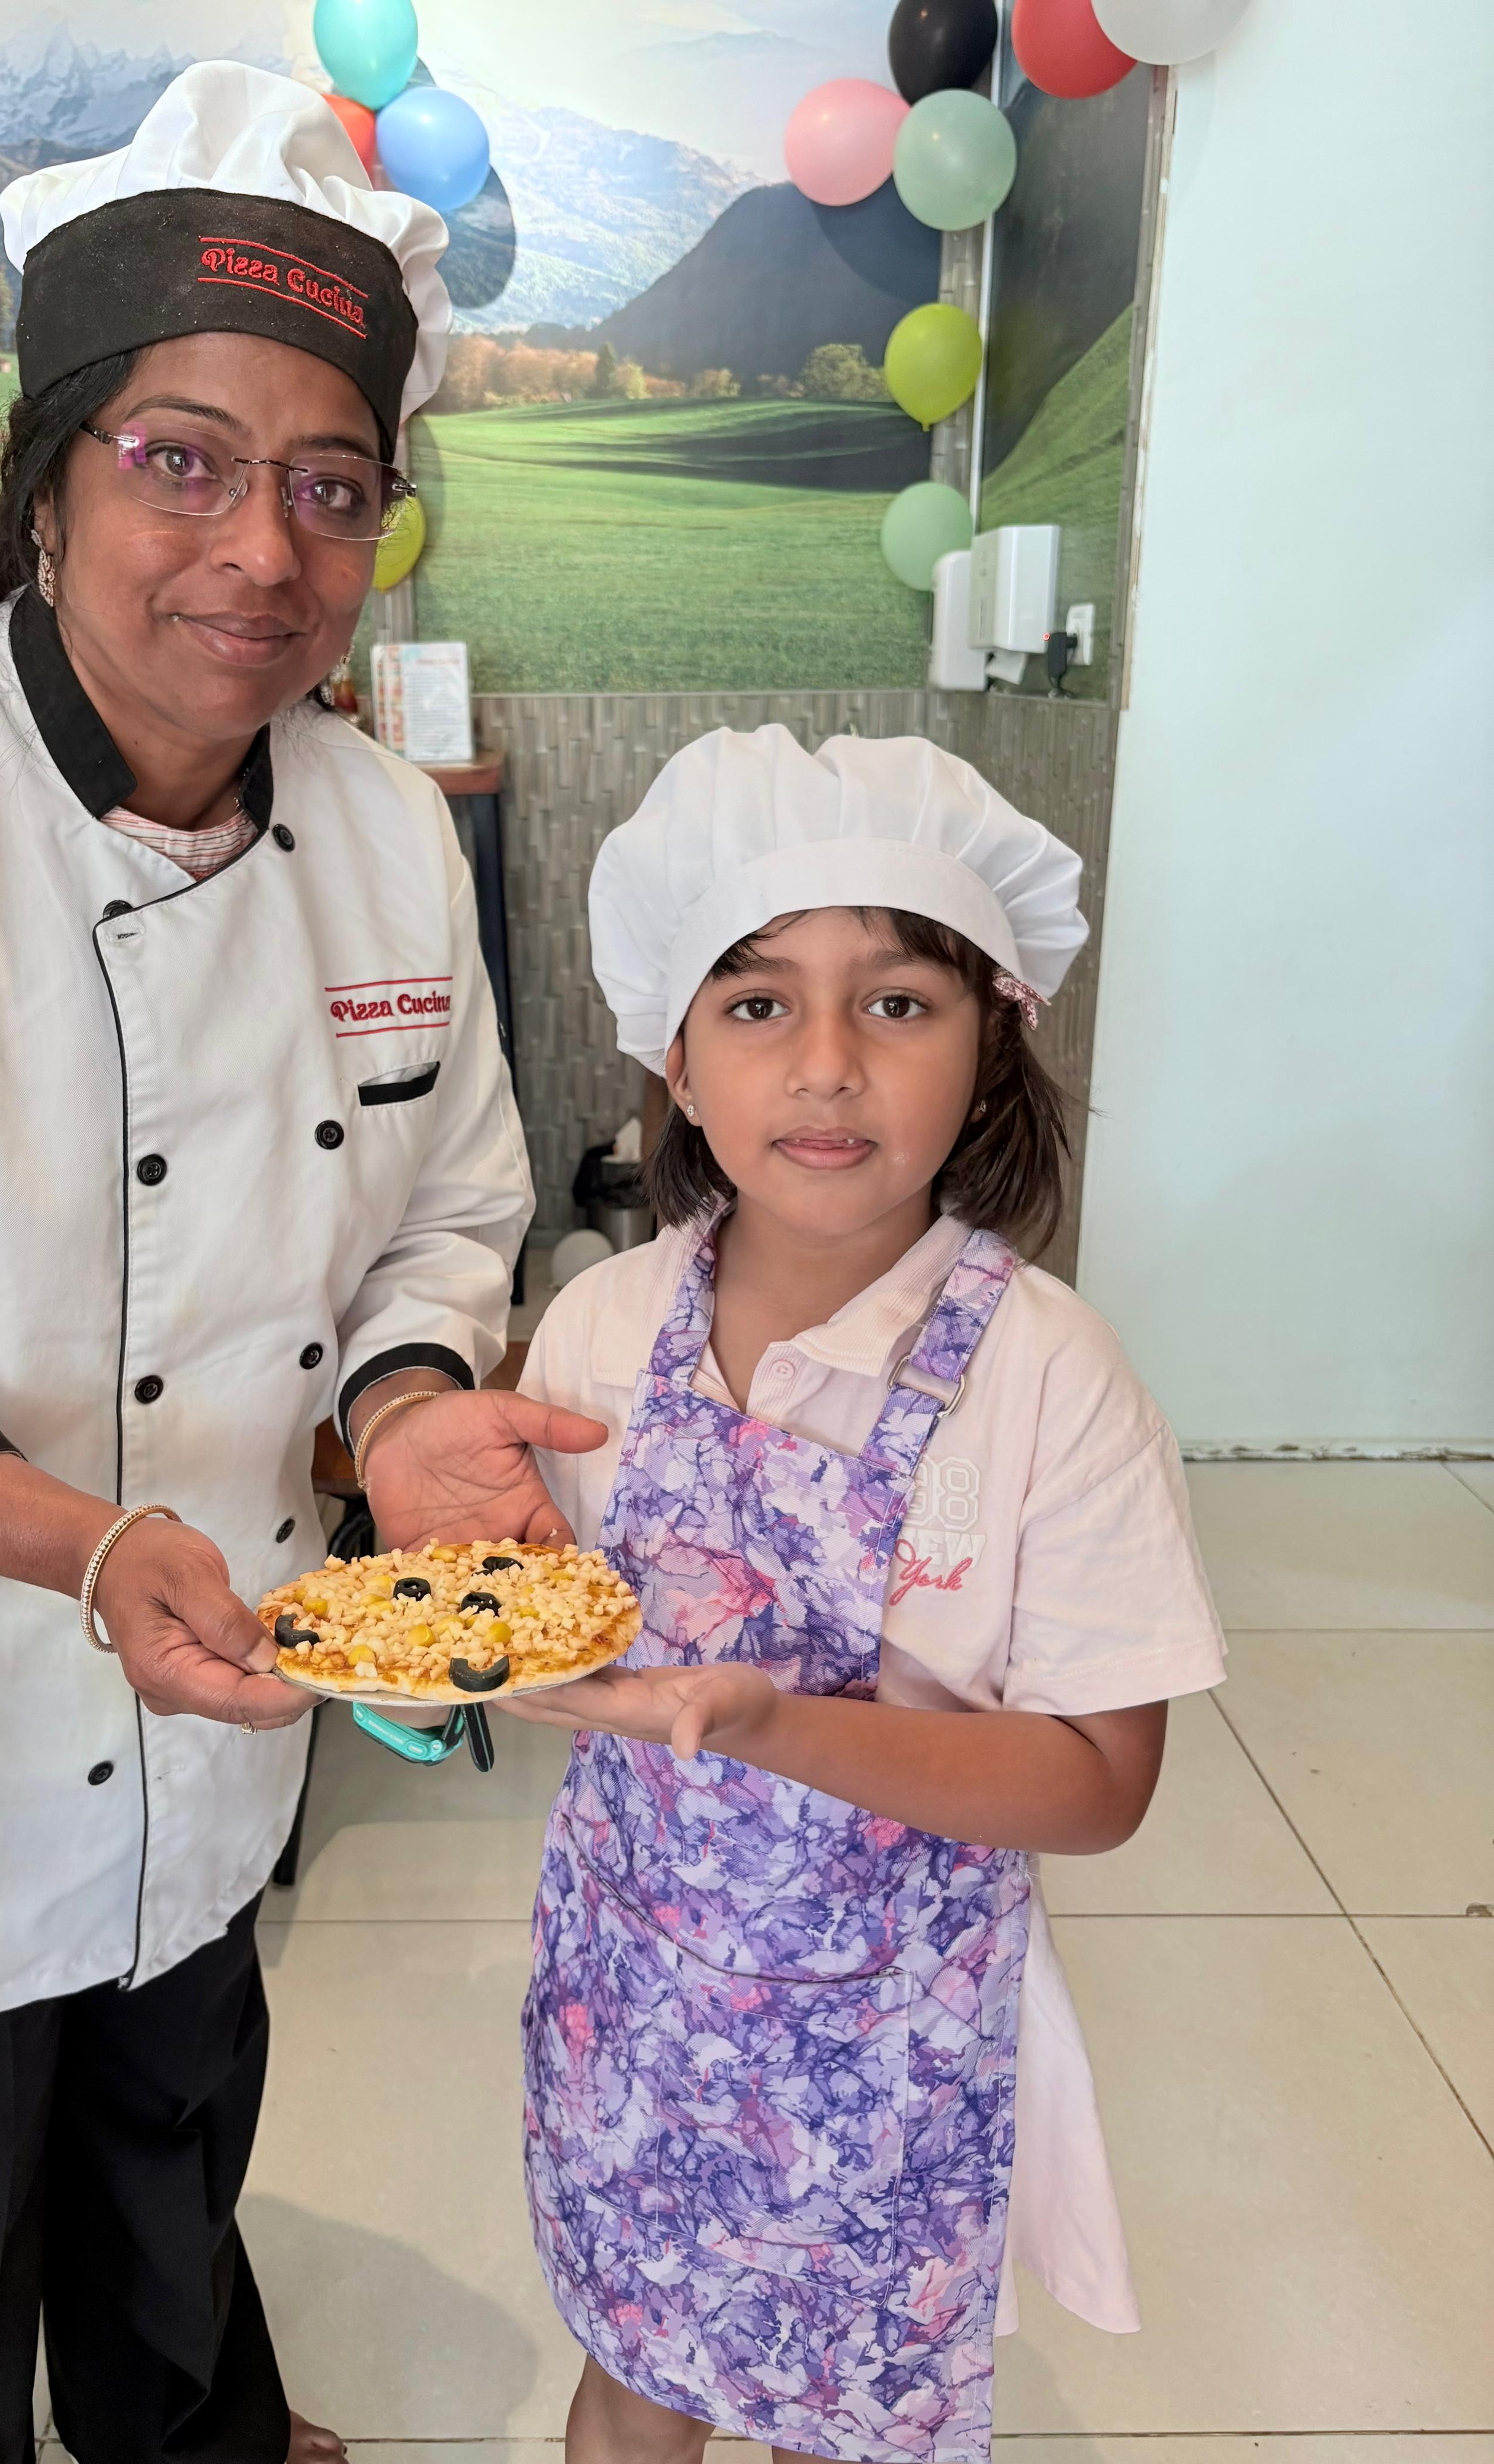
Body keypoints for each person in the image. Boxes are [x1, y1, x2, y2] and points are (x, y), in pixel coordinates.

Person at [0, 64, 602, 2464]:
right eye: (184, 459)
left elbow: (448, 1204)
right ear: (51, 476)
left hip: (228, 1686)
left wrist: (407, 1406)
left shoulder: (382, 835)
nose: (261, 551)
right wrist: (81, 1544)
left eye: (333, 486)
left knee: (173, 2165)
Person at [504, 726, 1227, 2462]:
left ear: (993, 1045)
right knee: (634, 2372)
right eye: (758, 1004)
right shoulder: (600, 1331)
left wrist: (773, 1723)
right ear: (675, 1057)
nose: (827, 1066)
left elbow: (1099, 1786)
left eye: (899, 1002)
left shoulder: (1050, 1378)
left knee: (849, 2415)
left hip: (893, 2050)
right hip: (632, 1995)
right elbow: (526, 1624)